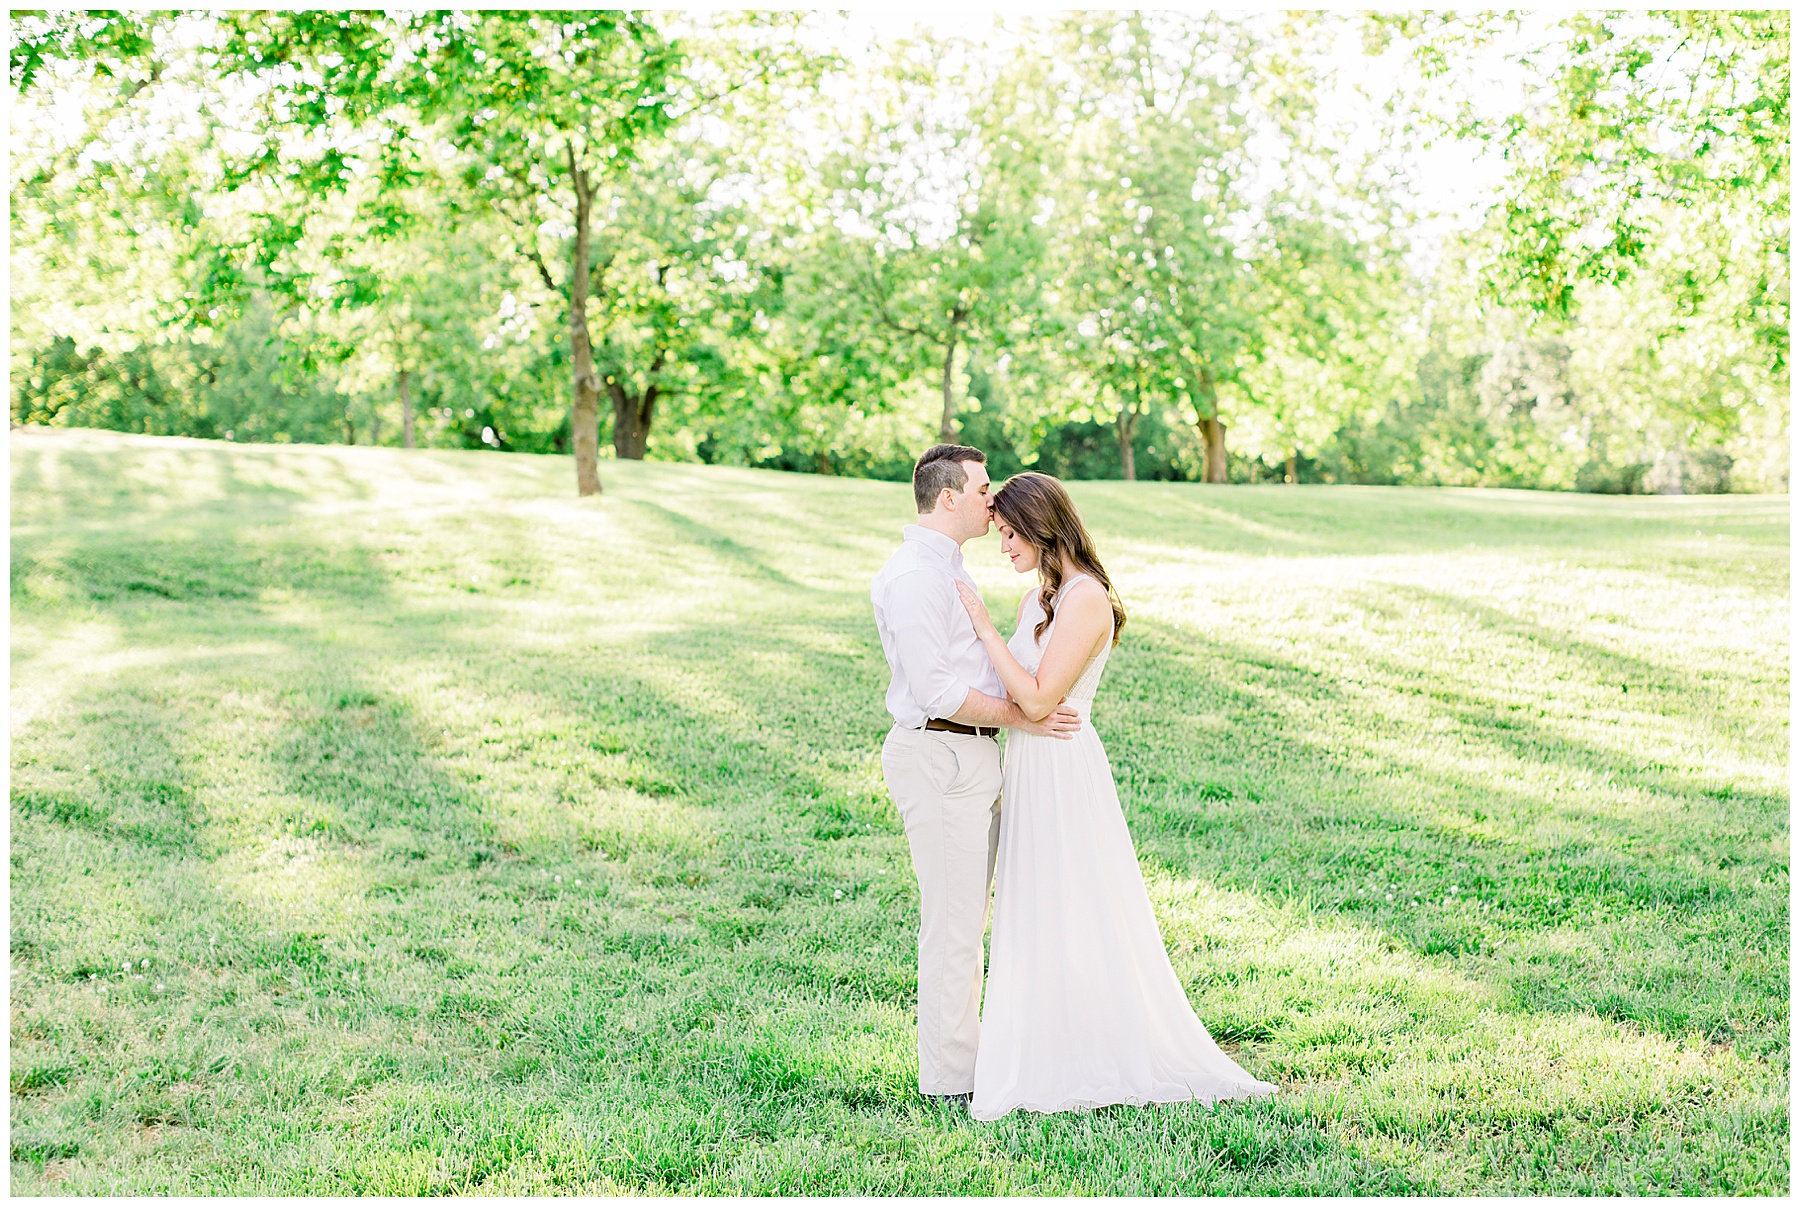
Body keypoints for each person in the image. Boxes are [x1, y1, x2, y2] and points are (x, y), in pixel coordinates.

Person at [954, 471, 1278, 1121]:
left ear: (1043, 526)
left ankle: (1096, 1049)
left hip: (1064, 768)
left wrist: (984, 630)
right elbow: (1020, 693)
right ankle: (1042, 1043)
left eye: (1011, 533)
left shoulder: (1087, 598)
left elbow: (1042, 697)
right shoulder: (1036, 602)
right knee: (1034, 905)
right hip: (1028, 767)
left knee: (1075, 904)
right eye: (999, 534)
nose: (1003, 547)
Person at [870, 445, 1082, 1107]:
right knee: (955, 929)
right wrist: (1023, 716)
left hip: (969, 756)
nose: (994, 501)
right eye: (984, 488)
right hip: (941, 756)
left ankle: (974, 1062)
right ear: (949, 497)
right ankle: (951, 1083)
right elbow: (935, 690)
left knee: (970, 922)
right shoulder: (915, 576)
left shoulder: (946, 567)